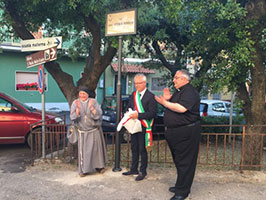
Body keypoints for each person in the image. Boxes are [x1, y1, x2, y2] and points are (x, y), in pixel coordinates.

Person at [155, 70, 201, 200]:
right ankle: (181, 185)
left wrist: (164, 103)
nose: (173, 80)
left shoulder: (190, 92)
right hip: (176, 132)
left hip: (186, 132)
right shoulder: (180, 91)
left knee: (185, 162)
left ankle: (182, 192)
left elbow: (181, 108)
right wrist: (167, 99)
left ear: (185, 79)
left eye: (176, 78)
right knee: (179, 161)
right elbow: (172, 106)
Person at [122, 74, 157, 181]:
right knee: (134, 148)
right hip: (134, 126)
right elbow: (129, 107)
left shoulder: (151, 96)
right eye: (135, 83)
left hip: (144, 127)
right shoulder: (133, 94)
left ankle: (143, 171)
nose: (136, 85)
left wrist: (139, 115)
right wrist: (128, 113)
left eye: (138, 83)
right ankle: (133, 169)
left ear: (144, 83)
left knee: (143, 150)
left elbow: (153, 113)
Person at [70, 87, 107, 177]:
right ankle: (84, 170)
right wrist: (77, 110)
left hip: (94, 130)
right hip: (83, 132)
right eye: (80, 94)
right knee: (84, 152)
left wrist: (91, 108)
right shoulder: (75, 103)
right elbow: (72, 117)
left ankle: (99, 166)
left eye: (84, 94)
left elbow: (99, 115)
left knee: (96, 150)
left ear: (88, 94)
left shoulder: (93, 101)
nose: (82, 95)